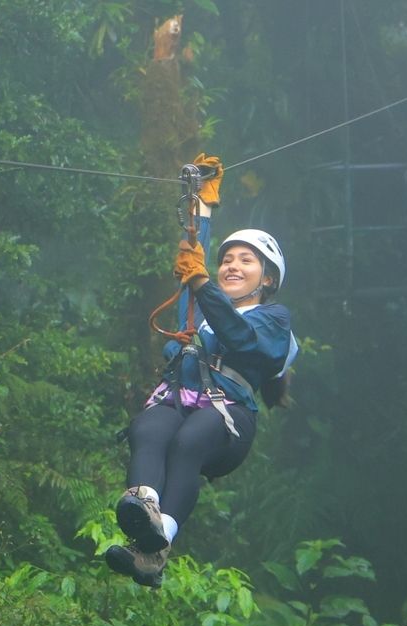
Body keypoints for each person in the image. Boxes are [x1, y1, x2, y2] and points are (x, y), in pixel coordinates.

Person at [104, 154, 298, 588]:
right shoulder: (198, 304)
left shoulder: (273, 319)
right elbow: (194, 247)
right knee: (149, 428)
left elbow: (239, 336)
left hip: (226, 419)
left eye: (246, 261)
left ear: (266, 280)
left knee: (190, 439)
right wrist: (202, 202)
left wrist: (202, 283)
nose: (231, 265)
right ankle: (144, 510)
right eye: (227, 259)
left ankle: (161, 539)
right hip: (177, 397)